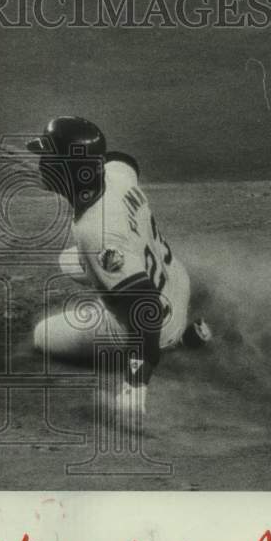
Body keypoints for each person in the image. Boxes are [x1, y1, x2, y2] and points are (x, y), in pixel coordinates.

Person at [26, 117, 211, 414]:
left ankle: (178, 341)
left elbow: (146, 308)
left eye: (48, 159)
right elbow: (124, 160)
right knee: (70, 261)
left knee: (43, 335)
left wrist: (135, 385)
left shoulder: (97, 234)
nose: (41, 164)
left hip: (157, 320)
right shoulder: (115, 176)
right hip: (177, 279)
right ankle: (173, 323)